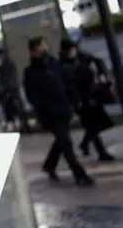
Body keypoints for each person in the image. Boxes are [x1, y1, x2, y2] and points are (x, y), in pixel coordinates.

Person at [23, 36, 94, 186]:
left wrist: (75, 101)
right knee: (66, 143)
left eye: (45, 46)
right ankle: (80, 175)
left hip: (63, 109)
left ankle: (49, 165)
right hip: (50, 114)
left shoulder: (54, 64)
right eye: (40, 47)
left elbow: (66, 83)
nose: (44, 49)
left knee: (61, 141)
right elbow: (33, 96)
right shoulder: (31, 72)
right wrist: (47, 107)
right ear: (33, 52)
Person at [59, 39, 115, 161]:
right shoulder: (63, 65)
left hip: (92, 94)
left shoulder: (82, 57)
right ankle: (101, 152)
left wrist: (101, 74)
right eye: (71, 49)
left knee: (102, 123)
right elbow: (67, 84)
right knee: (92, 124)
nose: (73, 51)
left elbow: (98, 62)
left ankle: (85, 144)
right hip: (80, 98)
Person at [0, 48, 31, 133]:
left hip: (11, 89)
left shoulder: (6, 66)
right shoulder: (5, 66)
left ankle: (21, 123)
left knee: (15, 105)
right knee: (9, 105)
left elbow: (7, 80)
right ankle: (17, 123)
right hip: (10, 89)